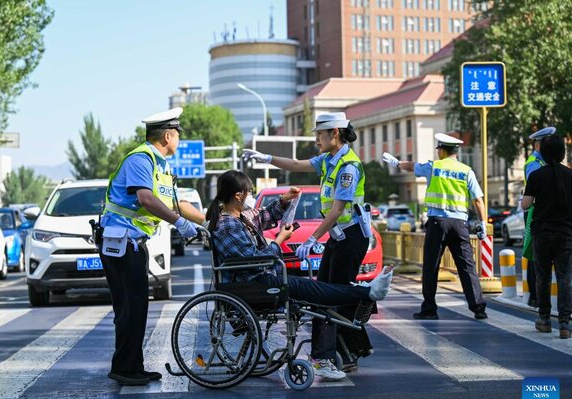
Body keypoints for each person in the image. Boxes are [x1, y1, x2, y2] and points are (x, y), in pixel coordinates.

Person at [206, 170, 393, 381]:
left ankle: (362, 299)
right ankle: (365, 294)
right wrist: (279, 240)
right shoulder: (227, 224)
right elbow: (252, 261)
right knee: (317, 292)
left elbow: (266, 215)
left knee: (320, 293)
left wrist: (285, 200)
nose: (251, 196)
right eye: (249, 192)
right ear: (238, 195)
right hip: (256, 284)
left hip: (266, 279)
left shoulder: (241, 215)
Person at [242, 112, 374, 371]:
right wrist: (267, 158)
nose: (316, 139)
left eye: (319, 135)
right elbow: (295, 165)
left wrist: (312, 239)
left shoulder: (348, 166)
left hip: (351, 237)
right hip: (339, 237)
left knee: (333, 294)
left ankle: (342, 354)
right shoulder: (328, 160)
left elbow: (336, 210)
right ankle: (352, 349)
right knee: (326, 292)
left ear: (334, 133)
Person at [99, 107, 200, 386]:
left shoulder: (162, 166)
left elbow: (176, 205)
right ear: (168, 135)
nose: (179, 139)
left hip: (133, 243)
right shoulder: (141, 159)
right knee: (130, 307)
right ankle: (125, 367)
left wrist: (210, 220)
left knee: (137, 306)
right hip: (120, 243)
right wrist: (179, 223)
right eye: (177, 134)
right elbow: (146, 199)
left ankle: (131, 366)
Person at [382, 133, 488, 320]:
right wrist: (483, 223)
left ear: (444, 150)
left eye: (439, 149)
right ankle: (478, 308)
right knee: (467, 267)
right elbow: (478, 201)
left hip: (437, 224)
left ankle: (429, 309)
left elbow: (412, 166)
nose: (437, 152)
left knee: (431, 266)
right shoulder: (466, 171)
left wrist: (396, 163)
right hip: (459, 224)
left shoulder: (434, 167)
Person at [521, 134, 572, 339]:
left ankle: (544, 319)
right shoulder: (570, 176)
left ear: (542, 151)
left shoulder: (537, 175)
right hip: (566, 233)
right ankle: (565, 323)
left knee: (542, 276)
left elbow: (525, 204)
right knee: (565, 277)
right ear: (562, 153)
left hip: (541, 233)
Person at [522, 126, 555, 308]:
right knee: (534, 253)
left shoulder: (546, 162)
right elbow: (532, 194)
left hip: (544, 211)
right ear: (537, 145)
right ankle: (535, 296)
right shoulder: (534, 163)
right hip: (535, 212)